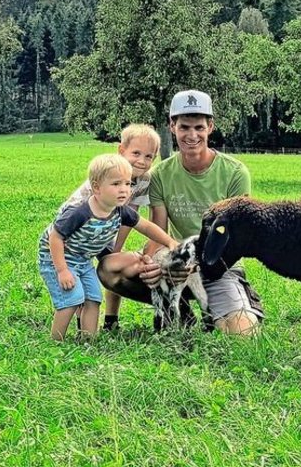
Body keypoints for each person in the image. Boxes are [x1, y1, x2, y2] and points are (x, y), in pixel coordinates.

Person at [101, 90, 264, 335]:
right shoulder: (161, 175)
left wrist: (196, 264)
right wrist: (155, 262)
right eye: (184, 127)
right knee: (110, 268)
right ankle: (182, 310)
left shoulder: (235, 173)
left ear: (210, 127)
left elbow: (236, 240)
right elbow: (159, 232)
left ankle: (229, 305)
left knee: (243, 335)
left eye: (199, 127)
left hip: (220, 267)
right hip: (176, 262)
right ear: (172, 127)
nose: (192, 135)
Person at [39, 153, 179, 341]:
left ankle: (89, 341)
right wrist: (62, 270)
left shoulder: (120, 211)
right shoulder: (80, 212)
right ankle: (56, 342)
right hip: (56, 258)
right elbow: (55, 237)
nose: (124, 190)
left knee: (93, 298)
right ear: (96, 187)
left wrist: (170, 242)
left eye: (127, 184)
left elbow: (146, 227)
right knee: (71, 300)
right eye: (116, 184)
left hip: (83, 260)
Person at [52, 123, 160, 332]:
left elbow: (130, 216)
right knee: (78, 272)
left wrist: (115, 250)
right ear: (121, 150)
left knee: (113, 264)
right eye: (136, 153)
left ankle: (111, 319)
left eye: (149, 156)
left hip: (106, 228)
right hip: (77, 230)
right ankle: (79, 320)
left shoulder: (143, 180)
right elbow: (75, 217)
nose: (142, 161)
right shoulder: (106, 175)